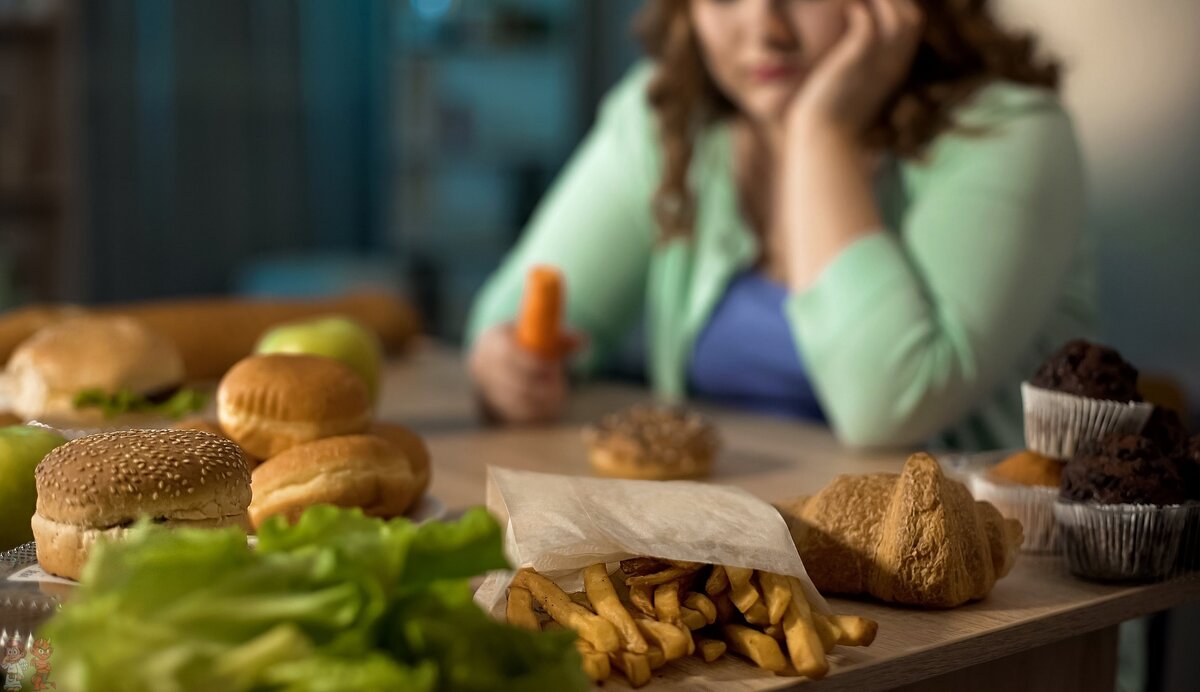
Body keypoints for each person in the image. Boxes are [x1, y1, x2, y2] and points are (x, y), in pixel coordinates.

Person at [466, 0, 1091, 450]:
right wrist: (510, 364)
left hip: (969, 579)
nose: (765, 29)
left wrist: (820, 133)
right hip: (729, 551)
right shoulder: (667, 115)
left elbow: (889, 405)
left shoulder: (1011, 134)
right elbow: (513, 316)